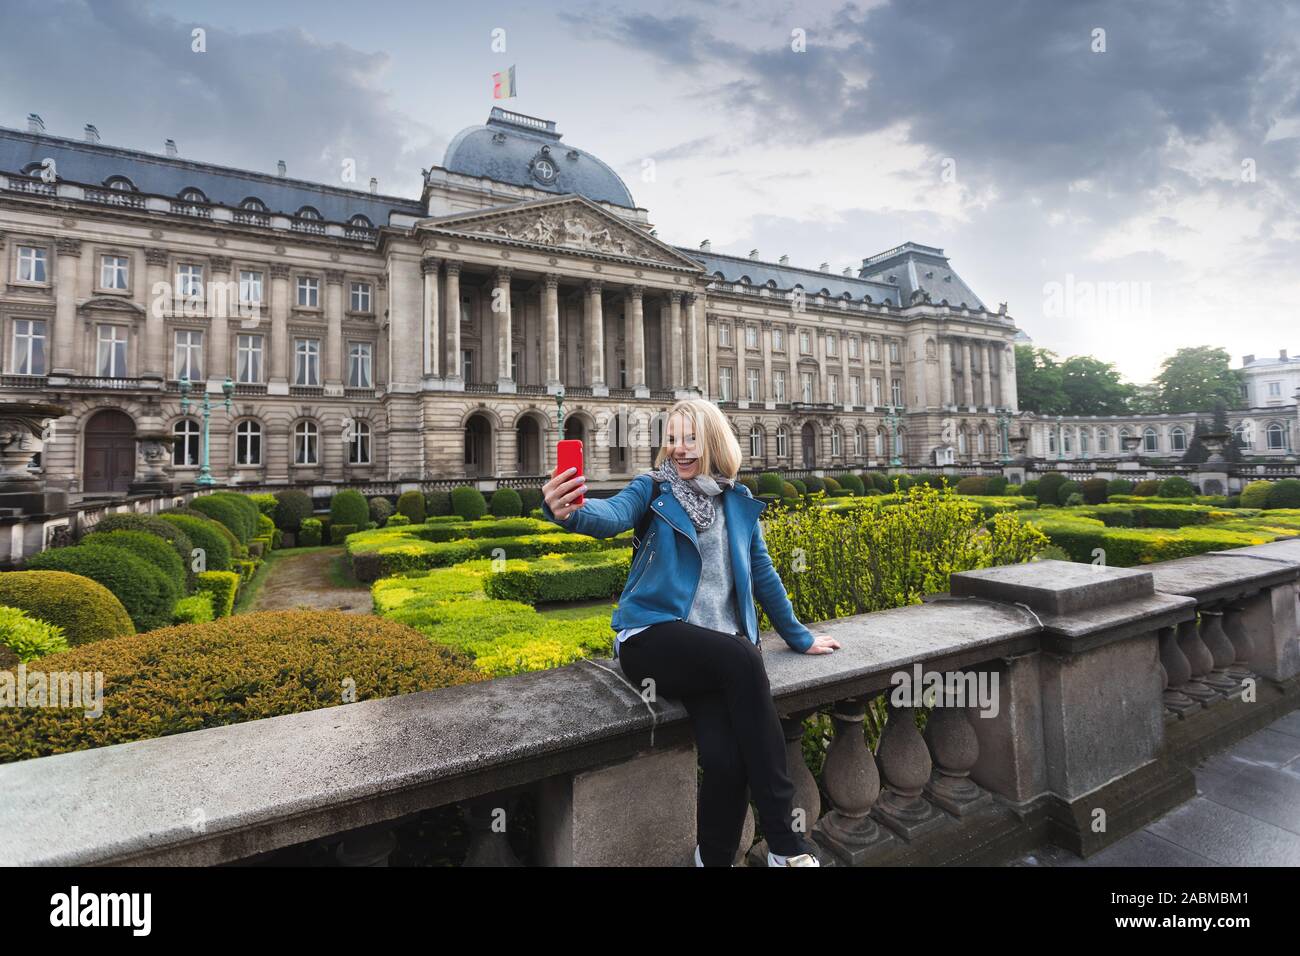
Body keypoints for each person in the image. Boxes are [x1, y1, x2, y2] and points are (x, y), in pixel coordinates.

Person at [541, 398, 841, 867]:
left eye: (690, 438)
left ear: (713, 441)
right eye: (673, 438)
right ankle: (786, 845)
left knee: (728, 760)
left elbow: (763, 575)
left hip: (710, 653)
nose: (679, 449)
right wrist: (570, 512)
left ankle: (711, 860)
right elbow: (611, 515)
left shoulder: (737, 503)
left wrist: (799, 636)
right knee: (744, 656)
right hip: (653, 636)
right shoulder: (652, 489)